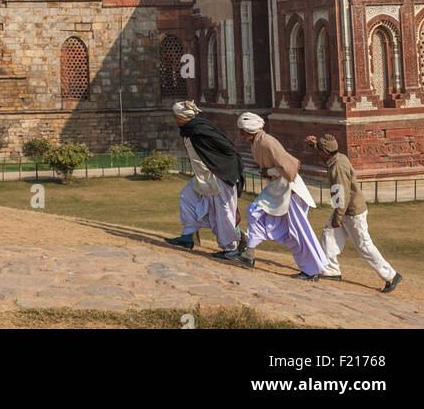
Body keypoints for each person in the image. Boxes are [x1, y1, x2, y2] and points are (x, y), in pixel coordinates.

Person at [226, 112, 328, 280]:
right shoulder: (258, 141)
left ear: (248, 129)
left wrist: (269, 171)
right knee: (254, 211)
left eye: (242, 130)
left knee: (298, 232)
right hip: (277, 190)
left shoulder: (267, 142)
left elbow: (291, 166)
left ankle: (313, 270)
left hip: (291, 193)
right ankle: (249, 254)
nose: (240, 133)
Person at [305, 133, 402, 293]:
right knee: (329, 234)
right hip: (347, 211)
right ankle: (331, 271)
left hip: (352, 213)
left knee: (364, 245)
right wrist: (315, 146)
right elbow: (326, 158)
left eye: (320, 150)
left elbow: (341, 195)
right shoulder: (338, 158)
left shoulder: (338, 167)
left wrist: (337, 217)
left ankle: (391, 275)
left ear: (326, 152)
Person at [165, 100, 247, 257]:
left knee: (224, 212)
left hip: (220, 176)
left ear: (182, 117)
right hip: (205, 177)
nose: (175, 119)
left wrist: (221, 167)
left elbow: (227, 148)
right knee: (187, 196)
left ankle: (231, 249)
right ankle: (188, 237)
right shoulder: (192, 129)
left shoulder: (199, 130)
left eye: (176, 116)